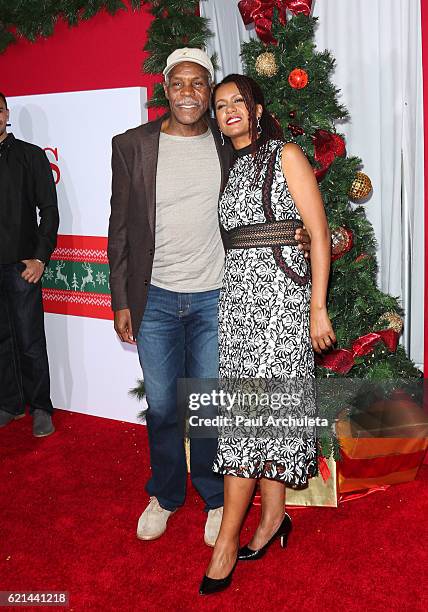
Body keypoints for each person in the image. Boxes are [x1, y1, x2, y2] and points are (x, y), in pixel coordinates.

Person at [107, 49, 312, 546]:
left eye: (200, 84)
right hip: (153, 297)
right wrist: (120, 301)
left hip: (214, 295)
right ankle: (166, 494)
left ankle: (215, 497)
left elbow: (263, 203)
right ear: (166, 89)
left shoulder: (228, 145)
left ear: (209, 92)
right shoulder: (132, 145)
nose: (189, 93)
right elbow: (118, 229)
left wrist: (295, 235)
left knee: (207, 405)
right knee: (161, 406)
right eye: (179, 83)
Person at [199, 75, 335, 595]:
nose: (229, 110)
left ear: (256, 108)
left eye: (238, 101)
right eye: (221, 104)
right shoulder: (223, 163)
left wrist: (317, 308)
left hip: (279, 305)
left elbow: (317, 231)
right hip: (238, 304)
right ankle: (273, 517)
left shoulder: (285, 154)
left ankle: (226, 542)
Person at [0, 92, 59, 437]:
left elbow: (49, 211)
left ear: (7, 113)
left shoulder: (30, 156)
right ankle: (10, 403)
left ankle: (40, 407)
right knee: (1, 340)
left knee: (30, 339)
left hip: (22, 266)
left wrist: (40, 257)